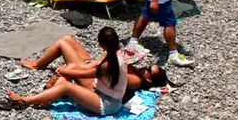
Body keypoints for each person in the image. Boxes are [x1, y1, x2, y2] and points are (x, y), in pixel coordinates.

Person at [0, 27, 129, 115]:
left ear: (102, 44)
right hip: (98, 89)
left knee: (65, 85)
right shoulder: (113, 52)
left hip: (107, 103)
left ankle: (24, 101)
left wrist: (63, 71)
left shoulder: (111, 63)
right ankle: (46, 97)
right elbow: (88, 67)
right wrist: (68, 69)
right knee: (70, 69)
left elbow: (84, 74)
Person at [16, 34, 169, 96]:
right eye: (149, 65)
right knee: (68, 38)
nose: (145, 67)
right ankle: (39, 64)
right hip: (95, 70)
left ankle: (39, 70)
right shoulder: (135, 71)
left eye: (149, 70)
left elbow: (94, 72)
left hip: (93, 83)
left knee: (64, 47)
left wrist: (73, 70)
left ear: (149, 80)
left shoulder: (135, 80)